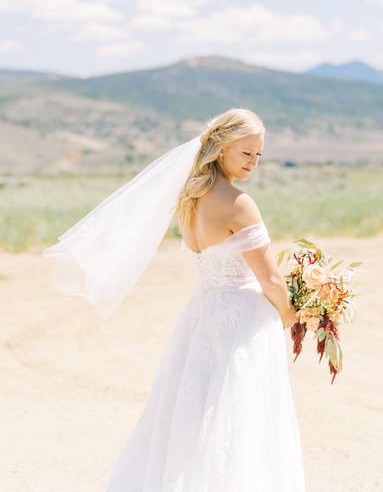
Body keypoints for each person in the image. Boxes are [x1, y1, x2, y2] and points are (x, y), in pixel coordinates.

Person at [44, 108, 305, 491]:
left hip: (203, 313)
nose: (253, 162)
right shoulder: (238, 203)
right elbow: (269, 278)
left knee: (191, 413)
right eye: (246, 152)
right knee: (240, 417)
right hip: (242, 320)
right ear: (221, 149)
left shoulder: (189, 200)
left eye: (258, 154)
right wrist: (290, 314)